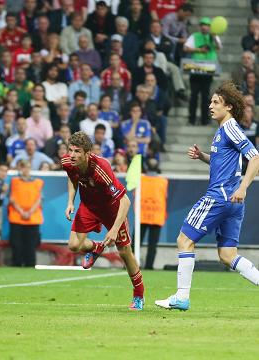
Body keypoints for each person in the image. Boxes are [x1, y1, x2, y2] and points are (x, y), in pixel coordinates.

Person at [156, 82, 259, 311]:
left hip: (220, 197)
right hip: (232, 203)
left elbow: (255, 158)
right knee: (227, 255)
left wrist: (243, 187)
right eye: (210, 101)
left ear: (229, 107)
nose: (210, 106)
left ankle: (182, 297)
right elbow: (225, 163)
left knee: (184, 240)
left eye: (215, 102)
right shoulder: (223, 131)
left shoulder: (230, 127)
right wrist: (203, 156)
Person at [62, 131, 145, 310]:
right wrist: (70, 201)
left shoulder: (101, 169)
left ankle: (139, 294)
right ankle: (96, 247)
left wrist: (114, 230)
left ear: (87, 153)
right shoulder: (68, 162)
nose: (72, 155)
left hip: (112, 208)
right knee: (74, 245)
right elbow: (72, 179)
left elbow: (125, 201)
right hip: (89, 206)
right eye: (70, 150)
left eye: (77, 152)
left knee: (124, 251)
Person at [184, 17, 222, 126]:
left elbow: (219, 47)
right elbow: (186, 48)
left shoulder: (213, 36)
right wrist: (199, 50)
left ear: (210, 27)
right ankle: (191, 119)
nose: (204, 27)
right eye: (202, 25)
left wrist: (214, 36)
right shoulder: (194, 36)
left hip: (208, 70)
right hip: (196, 68)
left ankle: (205, 120)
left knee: (206, 96)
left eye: (206, 25)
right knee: (194, 96)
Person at [8, 159, 43, 267]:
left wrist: (30, 212)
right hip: (17, 216)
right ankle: (16, 264)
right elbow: (12, 199)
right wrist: (22, 211)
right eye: (23, 167)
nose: (25, 169)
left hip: (33, 217)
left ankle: (30, 265)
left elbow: (39, 199)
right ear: (19, 168)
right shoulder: (14, 181)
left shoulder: (38, 182)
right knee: (16, 244)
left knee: (31, 244)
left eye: (27, 167)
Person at [139, 158, 167, 270]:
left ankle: (129, 264)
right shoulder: (163, 181)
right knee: (152, 244)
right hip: (157, 215)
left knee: (136, 243)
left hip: (142, 214)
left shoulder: (140, 179)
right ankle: (149, 266)